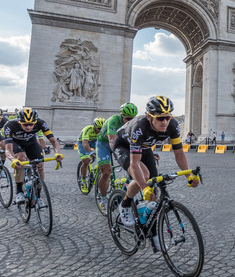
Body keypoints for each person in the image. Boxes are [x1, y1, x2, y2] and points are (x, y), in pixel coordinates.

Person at [116, 96, 199, 244]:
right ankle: (126, 203)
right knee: (145, 176)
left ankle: (153, 233)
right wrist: (143, 186)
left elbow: (179, 154)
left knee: (154, 195)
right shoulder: (139, 127)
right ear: (149, 116)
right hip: (124, 146)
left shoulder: (172, 126)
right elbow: (134, 163)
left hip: (145, 147)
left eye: (168, 117)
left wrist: (188, 175)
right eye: (160, 118)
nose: (165, 122)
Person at [3, 107, 63, 205]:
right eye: (25, 124)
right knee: (21, 158)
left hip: (31, 142)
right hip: (15, 143)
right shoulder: (9, 125)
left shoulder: (40, 123)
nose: (28, 127)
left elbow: (53, 140)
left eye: (31, 124)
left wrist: (57, 152)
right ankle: (19, 192)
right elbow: (8, 149)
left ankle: (38, 196)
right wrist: (13, 159)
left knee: (40, 165)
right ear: (19, 121)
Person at [95, 103, 138, 209]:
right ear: (121, 115)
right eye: (127, 119)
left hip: (121, 144)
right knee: (106, 171)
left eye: (132, 119)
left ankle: (128, 193)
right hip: (104, 145)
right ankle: (103, 198)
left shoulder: (133, 123)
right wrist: (119, 157)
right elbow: (112, 140)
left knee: (134, 167)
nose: (129, 122)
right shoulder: (113, 120)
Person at [76, 117, 105, 194]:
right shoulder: (88, 129)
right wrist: (90, 153)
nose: (100, 130)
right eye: (98, 128)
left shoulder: (103, 131)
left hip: (94, 142)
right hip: (82, 143)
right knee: (86, 160)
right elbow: (85, 143)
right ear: (94, 126)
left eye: (101, 129)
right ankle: (83, 181)